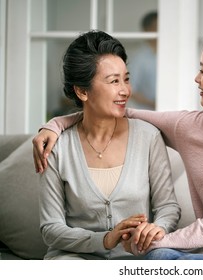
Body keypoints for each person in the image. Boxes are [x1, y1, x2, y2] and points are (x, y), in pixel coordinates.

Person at [33, 23, 203, 260]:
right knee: (159, 257)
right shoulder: (191, 127)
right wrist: (56, 124)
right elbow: (115, 110)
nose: (196, 78)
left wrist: (155, 240)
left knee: (158, 254)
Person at [37, 30, 180, 260]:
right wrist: (104, 239)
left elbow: (168, 208)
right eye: (114, 81)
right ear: (82, 91)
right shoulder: (56, 147)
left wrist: (156, 229)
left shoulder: (148, 137)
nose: (125, 90)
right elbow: (50, 229)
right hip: (74, 260)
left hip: (133, 259)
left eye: (126, 78)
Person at [127, 11, 158, 110]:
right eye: (156, 27)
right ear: (147, 30)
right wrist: (153, 103)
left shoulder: (170, 55)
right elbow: (131, 90)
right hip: (146, 115)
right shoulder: (139, 58)